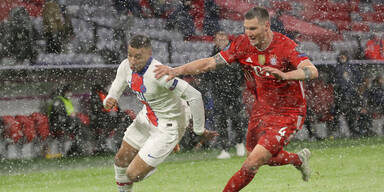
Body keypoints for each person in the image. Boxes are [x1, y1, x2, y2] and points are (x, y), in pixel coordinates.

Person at [154, 7, 318, 191]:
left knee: (252, 163)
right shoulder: (242, 44)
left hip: (288, 112)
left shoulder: (285, 46)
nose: (248, 33)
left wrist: (285, 75)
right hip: (261, 110)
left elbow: (312, 70)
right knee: (254, 158)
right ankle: (297, 159)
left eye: (253, 29)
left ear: (266, 26)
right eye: (246, 28)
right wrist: (176, 70)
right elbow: (209, 63)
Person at [104, 35, 218, 192]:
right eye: (130, 55)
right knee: (120, 160)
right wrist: (110, 98)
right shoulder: (126, 66)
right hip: (148, 116)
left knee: (133, 174)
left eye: (137, 56)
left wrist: (199, 130)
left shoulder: (160, 74)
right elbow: (117, 84)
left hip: (169, 124)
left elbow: (194, 96)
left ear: (149, 53)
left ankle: (166, 147)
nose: (132, 61)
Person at [207, 31, 246, 159]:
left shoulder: (234, 55)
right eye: (220, 39)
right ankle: (224, 149)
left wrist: (238, 85)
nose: (222, 41)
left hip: (234, 92)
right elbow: (207, 75)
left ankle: (239, 143)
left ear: (228, 41)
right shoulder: (211, 57)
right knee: (221, 121)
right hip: (218, 93)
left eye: (224, 39)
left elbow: (241, 72)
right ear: (215, 41)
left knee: (236, 119)